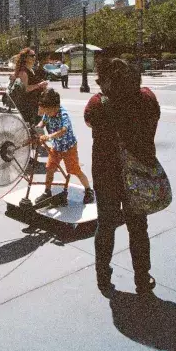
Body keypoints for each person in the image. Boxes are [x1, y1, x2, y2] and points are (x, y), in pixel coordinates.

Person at [84, 58, 160, 297]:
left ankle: (103, 274)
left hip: (106, 173)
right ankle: (142, 276)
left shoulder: (97, 104)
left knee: (105, 225)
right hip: (138, 172)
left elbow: (89, 121)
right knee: (138, 226)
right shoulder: (147, 99)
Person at [34, 88, 94, 205]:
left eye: (48, 111)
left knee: (74, 170)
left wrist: (49, 136)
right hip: (56, 146)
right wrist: (38, 127)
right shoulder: (48, 113)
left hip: (68, 147)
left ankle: (88, 190)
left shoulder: (63, 114)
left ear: (55, 106)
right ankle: (47, 191)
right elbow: (43, 122)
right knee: (50, 168)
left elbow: (64, 130)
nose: (46, 113)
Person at [9, 48, 47, 125]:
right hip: (28, 105)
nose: (34, 57)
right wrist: (39, 85)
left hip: (34, 103)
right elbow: (25, 89)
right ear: (26, 58)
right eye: (32, 56)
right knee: (32, 126)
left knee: (36, 125)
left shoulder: (30, 70)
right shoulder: (24, 72)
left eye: (34, 55)